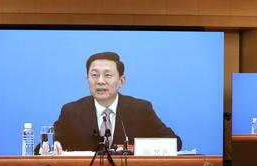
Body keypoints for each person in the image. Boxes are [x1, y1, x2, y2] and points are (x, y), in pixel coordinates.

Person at [53, 51, 182, 151]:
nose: (100, 81)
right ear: (87, 79)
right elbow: (43, 147)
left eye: (108, 75)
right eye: (94, 75)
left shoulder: (140, 110)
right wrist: (53, 147)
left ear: (121, 81)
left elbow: (174, 142)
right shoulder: (71, 112)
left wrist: (141, 149)